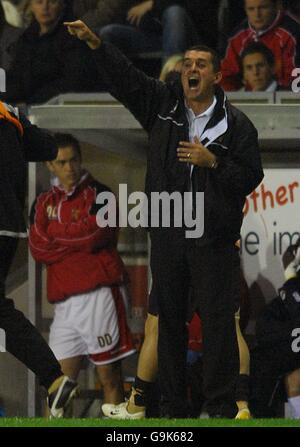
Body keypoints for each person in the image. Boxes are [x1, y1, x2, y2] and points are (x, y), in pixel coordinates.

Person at [64, 20, 264, 418]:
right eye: (187, 63)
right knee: (168, 321)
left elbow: (250, 176)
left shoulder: (237, 123)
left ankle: (221, 407)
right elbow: (126, 80)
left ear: (217, 74)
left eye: (201, 64)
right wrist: (95, 44)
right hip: (170, 233)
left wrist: (214, 162)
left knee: (219, 324)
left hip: (213, 238)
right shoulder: (161, 106)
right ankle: (172, 409)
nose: (191, 69)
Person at [29, 133, 135, 407]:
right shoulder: (42, 202)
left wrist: (55, 234)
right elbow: (38, 248)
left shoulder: (102, 194)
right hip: (65, 304)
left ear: (81, 158)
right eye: (61, 162)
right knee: (58, 385)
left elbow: (95, 236)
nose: (69, 167)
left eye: (73, 160)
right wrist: (76, 238)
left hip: (100, 295)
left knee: (109, 377)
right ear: (50, 165)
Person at [0, 101, 78, 417]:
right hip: (8, 226)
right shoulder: (8, 112)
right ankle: (54, 378)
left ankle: (52, 376)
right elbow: (46, 146)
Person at [2, 0, 98, 105]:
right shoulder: (27, 37)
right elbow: (17, 76)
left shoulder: (74, 36)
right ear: (31, 6)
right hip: (30, 104)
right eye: (39, 2)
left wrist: (32, 99)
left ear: (62, 4)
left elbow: (73, 81)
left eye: (52, 2)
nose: (45, 8)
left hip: (57, 107)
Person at [221, 0, 300, 91]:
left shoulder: (293, 34)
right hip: (248, 100)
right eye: (251, 9)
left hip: (285, 99)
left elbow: (296, 78)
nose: (257, 14)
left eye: (263, 8)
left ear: (277, 7)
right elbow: (226, 77)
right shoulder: (237, 37)